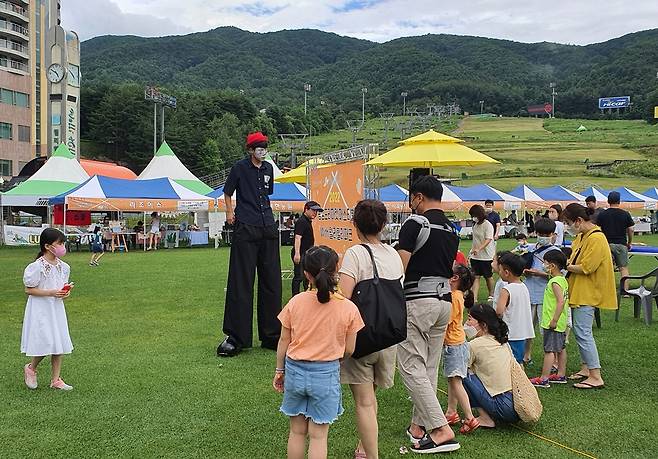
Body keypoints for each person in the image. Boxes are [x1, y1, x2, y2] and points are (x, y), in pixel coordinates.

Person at [273, 245, 364, 459]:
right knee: (318, 436)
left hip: (295, 371)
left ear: (306, 274)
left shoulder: (295, 302)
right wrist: (336, 358)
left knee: (296, 431)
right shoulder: (348, 308)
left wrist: (279, 370)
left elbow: (284, 340)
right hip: (326, 372)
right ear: (337, 270)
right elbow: (349, 349)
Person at [396, 176, 460, 454]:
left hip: (417, 301)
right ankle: (418, 427)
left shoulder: (415, 224)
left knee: (410, 365)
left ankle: (440, 429)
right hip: (444, 301)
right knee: (429, 366)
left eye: (412, 197)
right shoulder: (452, 228)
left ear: (419, 197)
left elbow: (401, 267)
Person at [338, 199, 404, 459]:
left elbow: (343, 300)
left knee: (364, 402)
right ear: (384, 224)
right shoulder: (394, 254)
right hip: (389, 337)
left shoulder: (355, 254)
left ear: (355, 224)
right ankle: (364, 448)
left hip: (362, 338)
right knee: (371, 398)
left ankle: (370, 455)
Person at [217, 132, 282, 357]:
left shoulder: (269, 169)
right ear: (250, 149)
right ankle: (236, 337)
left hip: (267, 226)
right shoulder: (239, 168)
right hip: (245, 226)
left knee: (272, 282)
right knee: (241, 281)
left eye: (264, 146)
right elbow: (227, 193)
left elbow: (267, 194)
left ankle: (272, 335)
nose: (262, 150)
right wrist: (229, 212)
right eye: (258, 147)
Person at [562, 203, 616, 389]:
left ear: (578, 221)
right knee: (580, 332)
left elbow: (587, 267)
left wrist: (563, 266)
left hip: (589, 292)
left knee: (583, 333)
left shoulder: (596, 238)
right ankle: (586, 368)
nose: (567, 227)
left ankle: (595, 375)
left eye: (568, 222)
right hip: (579, 290)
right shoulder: (582, 236)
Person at [21, 228, 74, 391]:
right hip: (41, 309)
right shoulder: (37, 267)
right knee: (46, 340)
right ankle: (31, 367)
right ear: (47, 246)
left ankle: (55, 379)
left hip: (56, 308)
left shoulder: (63, 267)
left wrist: (65, 292)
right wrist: (51, 292)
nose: (62, 247)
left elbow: (61, 287)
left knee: (58, 341)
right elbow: (29, 289)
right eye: (59, 243)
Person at [463, 303, 519, 428]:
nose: (466, 323)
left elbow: (459, 369)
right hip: (519, 404)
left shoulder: (475, 344)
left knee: (461, 372)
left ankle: (485, 418)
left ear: (483, 324)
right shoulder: (501, 340)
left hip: (503, 406)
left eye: (470, 319)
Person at [443, 264, 479, 434]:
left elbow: (445, 321)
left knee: (456, 382)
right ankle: (451, 412)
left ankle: (470, 417)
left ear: (455, 278)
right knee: (453, 380)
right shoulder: (457, 295)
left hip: (454, 345)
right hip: (457, 343)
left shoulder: (454, 297)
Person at [522, 218, 561, 364]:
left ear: (552, 234)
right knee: (527, 327)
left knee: (547, 330)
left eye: (547, 234)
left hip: (546, 295)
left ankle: (554, 360)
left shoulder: (555, 252)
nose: (543, 236)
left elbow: (559, 274)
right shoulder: (529, 248)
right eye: (540, 233)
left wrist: (539, 274)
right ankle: (526, 355)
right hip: (529, 292)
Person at [529, 250, 570, 388]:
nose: (543, 265)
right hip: (561, 322)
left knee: (549, 350)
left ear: (552, 265)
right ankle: (561, 374)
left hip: (553, 322)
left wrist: (554, 320)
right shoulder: (562, 279)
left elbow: (560, 302)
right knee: (561, 348)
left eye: (545, 263)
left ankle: (544, 378)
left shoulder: (555, 282)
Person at [494, 252, 534, 364]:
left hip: (510, 333)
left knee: (509, 362)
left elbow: (499, 311)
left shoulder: (506, 290)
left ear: (506, 272)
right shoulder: (523, 286)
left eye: (500, 269)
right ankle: (521, 379)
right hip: (521, 332)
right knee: (518, 361)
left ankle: (517, 381)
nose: (499, 272)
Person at [596, 191, 634, 291]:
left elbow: (598, 229)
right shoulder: (625, 214)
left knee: (605, 268)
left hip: (606, 244)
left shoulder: (602, 214)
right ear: (619, 201)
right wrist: (629, 242)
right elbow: (631, 229)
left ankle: (604, 290)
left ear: (608, 201)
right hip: (621, 244)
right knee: (623, 268)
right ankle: (625, 291)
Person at [292, 201, 324, 296]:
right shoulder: (302, 221)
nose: (315, 213)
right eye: (313, 210)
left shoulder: (307, 221)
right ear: (306, 209)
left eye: (317, 211)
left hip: (306, 253)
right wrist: (297, 253)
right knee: (298, 276)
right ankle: (295, 295)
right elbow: (298, 237)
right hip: (301, 253)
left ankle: (307, 293)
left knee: (306, 276)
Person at [469, 204, 495, 302]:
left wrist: (479, 249)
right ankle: (474, 298)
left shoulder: (488, 225)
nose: (473, 218)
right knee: (476, 276)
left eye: (474, 215)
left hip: (487, 256)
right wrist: (472, 251)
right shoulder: (475, 225)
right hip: (475, 256)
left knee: (488, 276)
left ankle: (491, 294)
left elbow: (488, 239)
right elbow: (475, 240)